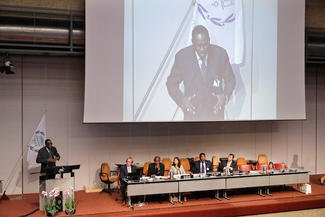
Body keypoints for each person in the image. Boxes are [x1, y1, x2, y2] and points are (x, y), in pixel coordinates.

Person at [166, 25, 236, 121]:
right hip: (192, 115)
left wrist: (225, 97)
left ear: (209, 40)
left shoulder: (220, 54)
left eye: (205, 44)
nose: (203, 49)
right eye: (199, 46)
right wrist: (182, 100)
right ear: (193, 43)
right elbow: (171, 84)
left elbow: (231, 80)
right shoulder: (182, 57)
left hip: (215, 114)